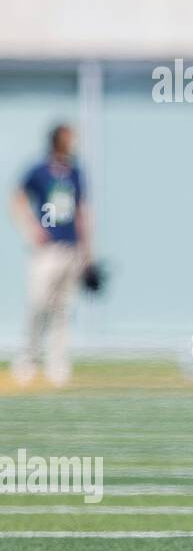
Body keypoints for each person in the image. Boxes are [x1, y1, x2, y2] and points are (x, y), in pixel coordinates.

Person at [8, 124, 91, 387]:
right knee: (38, 304)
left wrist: (87, 251)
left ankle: (58, 363)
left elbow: (82, 211)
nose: (74, 143)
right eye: (70, 138)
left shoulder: (76, 173)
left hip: (71, 248)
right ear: (58, 141)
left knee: (63, 308)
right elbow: (16, 199)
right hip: (47, 250)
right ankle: (28, 359)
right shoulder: (40, 171)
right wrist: (32, 229)